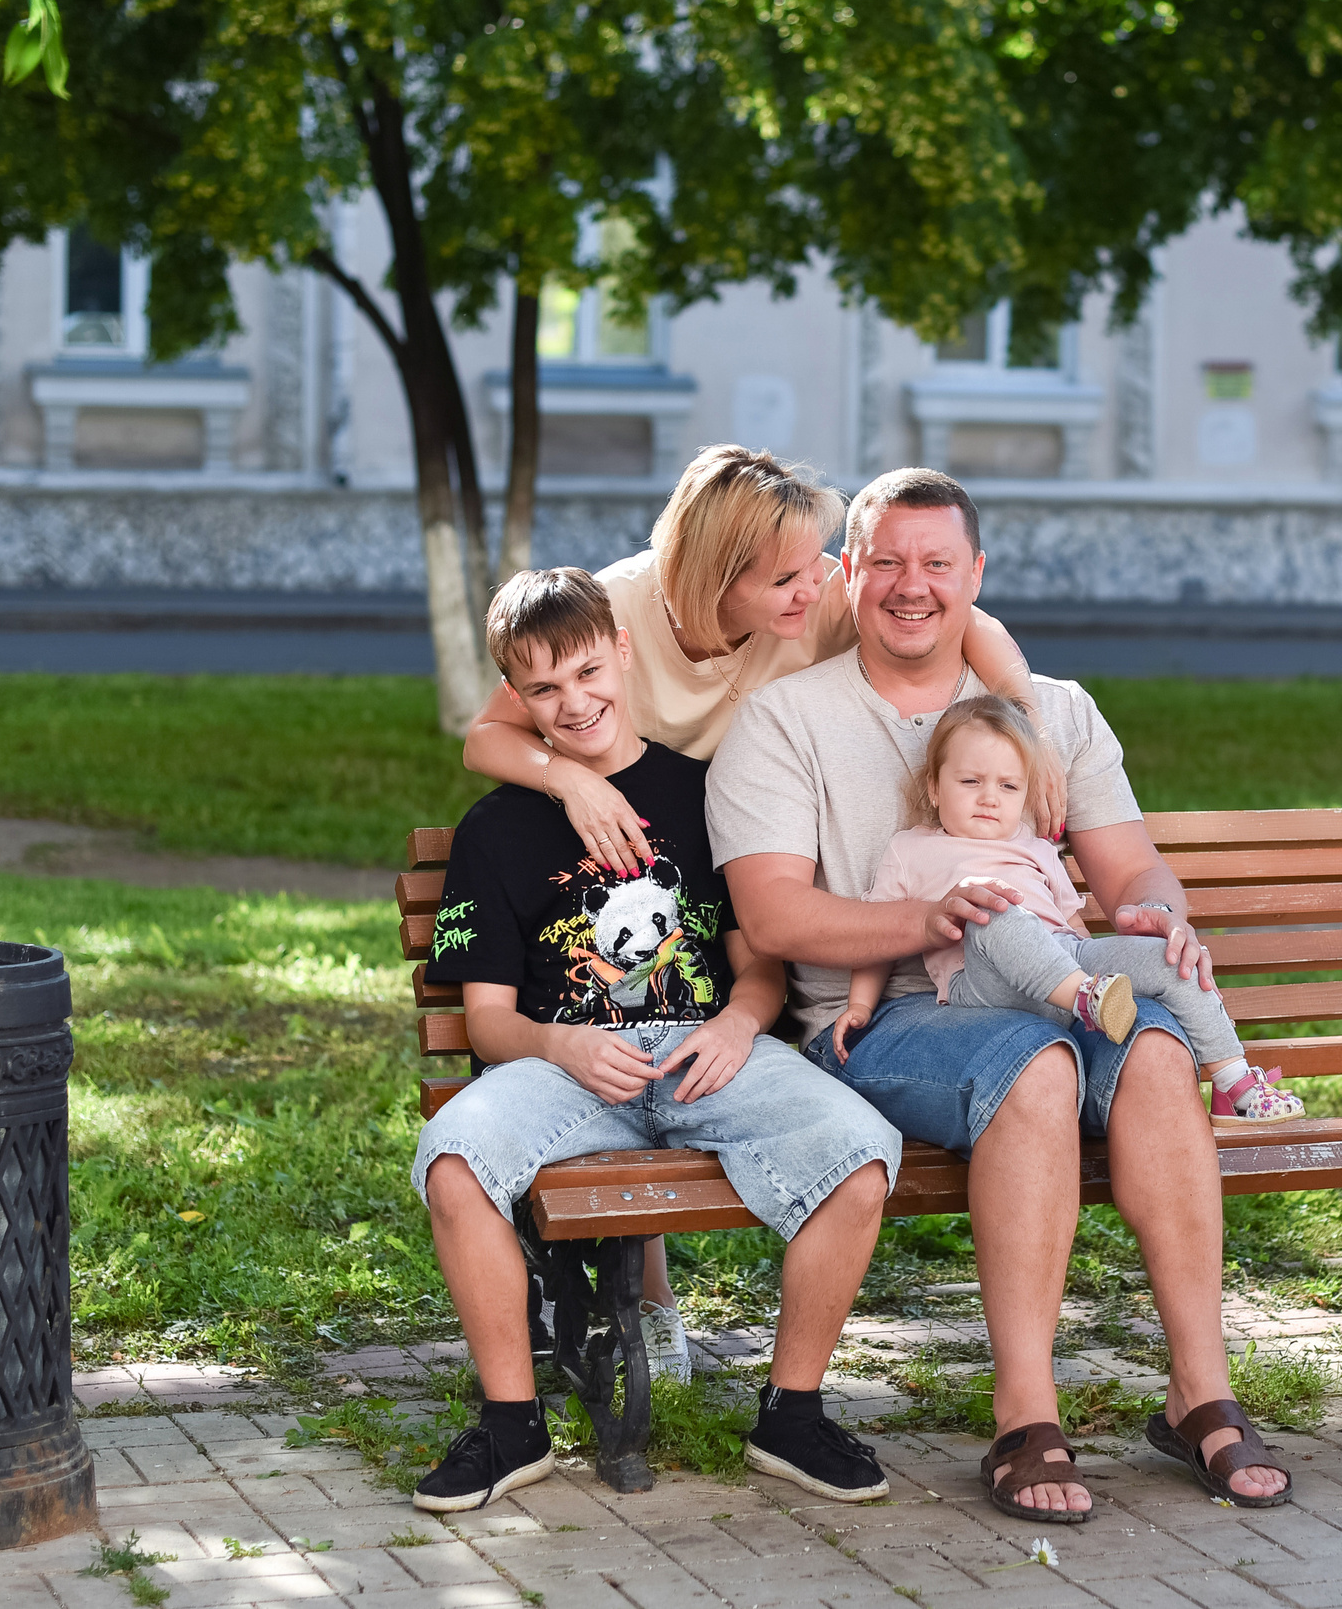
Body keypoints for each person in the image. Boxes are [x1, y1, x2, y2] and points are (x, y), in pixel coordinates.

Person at [708, 469, 1295, 1524]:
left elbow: (1132, 872)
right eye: (884, 559)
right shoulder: (783, 719)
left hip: (1057, 989)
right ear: (850, 572)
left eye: (937, 562)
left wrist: (1164, 919)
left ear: (976, 575)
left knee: (1156, 1049)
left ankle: (1198, 1389)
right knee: (1038, 1065)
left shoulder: (1054, 714)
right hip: (884, 1015)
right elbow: (776, 913)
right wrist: (931, 922)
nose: (910, 585)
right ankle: (1026, 1410)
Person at [460, 443, 1052, 1381]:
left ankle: (652, 1306)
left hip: (719, 844)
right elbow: (488, 732)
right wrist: (567, 781)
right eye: (786, 575)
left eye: (815, 562)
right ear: (711, 578)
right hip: (615, 830)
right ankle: (634, 1291)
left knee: (693, 1017)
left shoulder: (805, 599)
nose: (816, 586)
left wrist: (1024, 711)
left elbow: (962, 616)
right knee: (619, 1013)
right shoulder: (613, 616)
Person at [411, 568, 902, 1512]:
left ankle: (791, 1414)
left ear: (622, 650)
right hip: (563, 1062)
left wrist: (737, 1021)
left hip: (701, 1051)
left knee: (858, 1152)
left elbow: (758, 962)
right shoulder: (497, 827)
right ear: (515, 694)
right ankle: (512, 1426)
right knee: (454, 1162)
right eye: (545, 690)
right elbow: (486, 1021)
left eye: (590, 672)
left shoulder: (704, 793)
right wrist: (562, 1046)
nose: (575, 702)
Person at [835, 693, 1302, 1124]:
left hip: (1065, 964)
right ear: (935, 788)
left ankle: (1233, 1083)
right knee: (987, 901)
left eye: (1008, 786)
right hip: (983, 984)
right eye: (970, 781)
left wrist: (1119, 954)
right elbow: (879, 937)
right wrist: (860, 1005)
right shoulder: (910, 850)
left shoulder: (1036, 848)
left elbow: (1069, 924)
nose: (989, 797)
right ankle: (1088, 999)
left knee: (1170, 955)